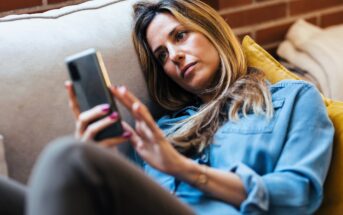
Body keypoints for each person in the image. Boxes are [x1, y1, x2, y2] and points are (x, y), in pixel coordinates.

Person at [0, 0, 334, 214]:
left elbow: (298, 195)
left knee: (66, 156)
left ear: (212, 31)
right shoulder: (162, 129)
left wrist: (185, 169)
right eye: (162, 55)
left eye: (180, 36)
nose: (173, 56)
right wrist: (99, 151)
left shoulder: (292, 99)